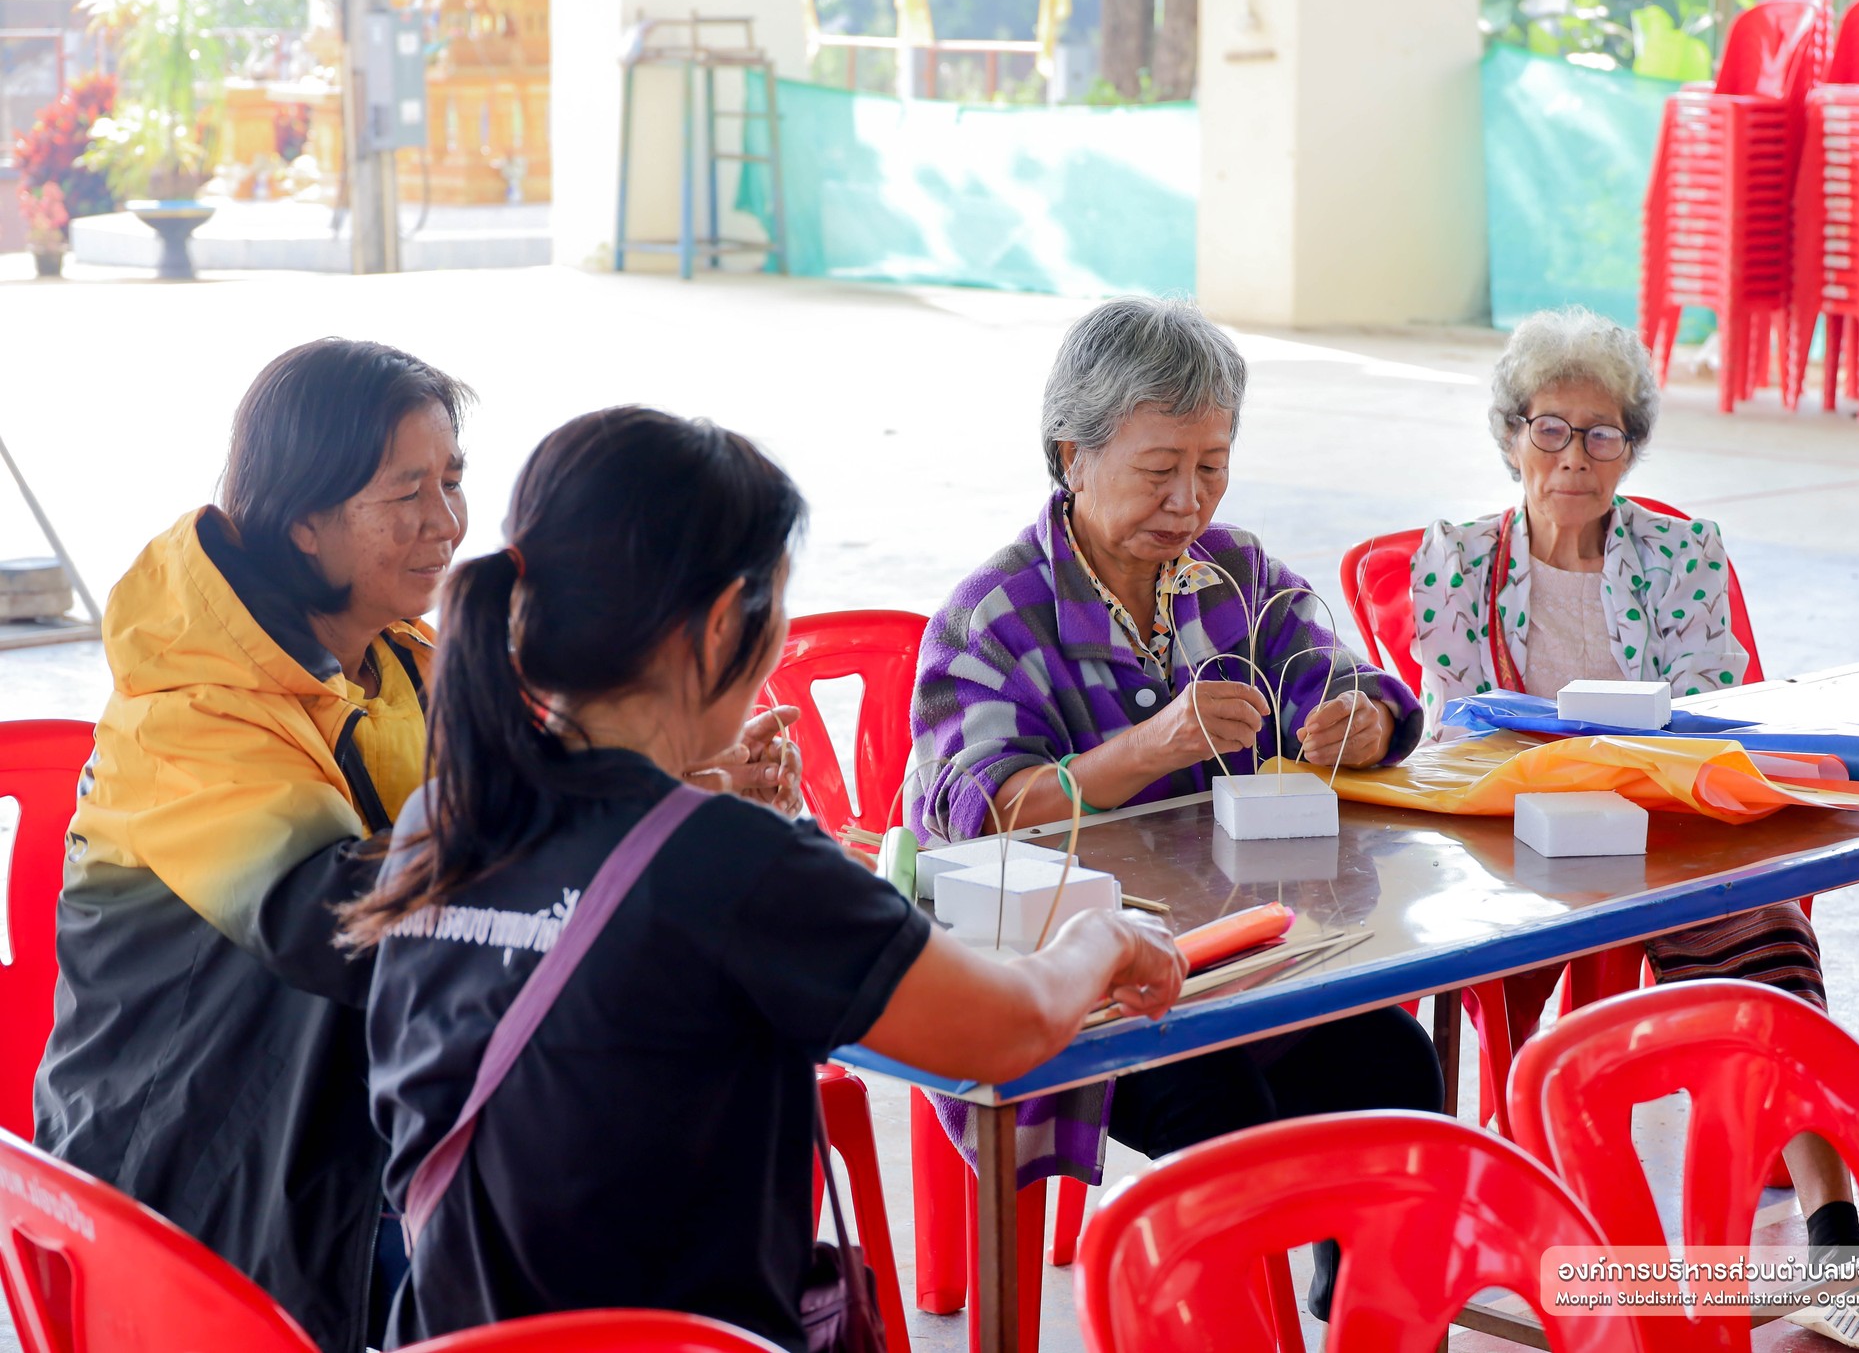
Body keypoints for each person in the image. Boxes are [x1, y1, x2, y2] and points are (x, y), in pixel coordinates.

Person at [347, 406, 1185, 1352]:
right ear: (717, 626)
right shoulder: (734, 863)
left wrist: (692, 788)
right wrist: (1104, 937)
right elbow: (1012, 1026)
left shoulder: (444, 817)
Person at [30, 342, 797, 1353]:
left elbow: (533, 817)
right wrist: (641, 818)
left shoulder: (399, 660)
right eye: (406, 493)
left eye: (453, 479)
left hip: (366, 1115)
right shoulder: (187, 718)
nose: (445, 522)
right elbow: (346, 926)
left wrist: (678, 783)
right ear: (305, 521)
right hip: (215, 1163)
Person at [908, 296, 1441, 1323]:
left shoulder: (1230, 576)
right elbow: (975, 817)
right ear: (1071, 453)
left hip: (1243, 951)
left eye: (1211, 464)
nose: (1187, 498)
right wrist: (1149, 748)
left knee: (1390, 1062)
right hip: (1086, 986)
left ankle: (1364, 1307)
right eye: (1159, 469)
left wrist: (1359, 721)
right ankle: (1236, 1321)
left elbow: (1348, 679)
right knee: (1213, 1108)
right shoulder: (993, 616)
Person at [1413, 306, 1859, 1352]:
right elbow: (1451, 719)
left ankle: (1833, 1227)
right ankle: (1506, 1226)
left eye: (1600, 432)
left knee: (1769, 940)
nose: (1572, 457)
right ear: (1508, 435)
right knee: (1498, 986)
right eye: (1548, 428)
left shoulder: (1679, 549)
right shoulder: (1451, 559)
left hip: (1661, 825)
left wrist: (1631, 758)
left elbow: (1712, 700)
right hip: (1514, 836)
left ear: (1628, 445)